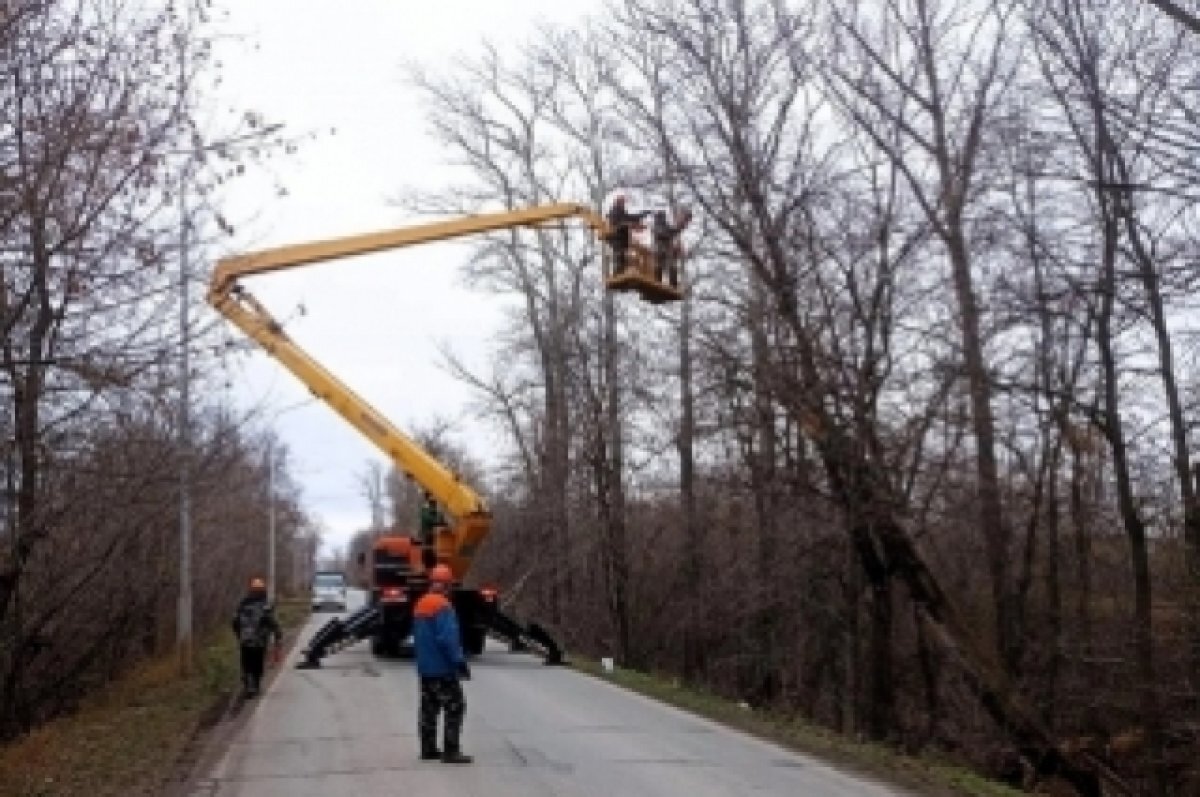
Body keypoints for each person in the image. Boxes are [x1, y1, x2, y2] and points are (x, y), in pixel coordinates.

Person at [413, 564, 472, 764]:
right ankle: (451, 751)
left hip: (425, 667)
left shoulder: (421, 603)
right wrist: (459, 662)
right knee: (455, 706)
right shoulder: (443, 607)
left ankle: (427, 748)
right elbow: (448, 639)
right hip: (442, 668)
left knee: (428, 707)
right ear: (447, 585)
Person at [232, 577, 282, 698]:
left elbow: (235, 622)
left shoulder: (242, 604)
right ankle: (255, 685)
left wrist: (239, 635)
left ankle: (248, 684)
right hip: (260, 641)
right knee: (257, 662)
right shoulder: (265, 606)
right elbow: (272, 622)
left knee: (246, 663)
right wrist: (278, 636)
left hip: (245, 640)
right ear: (263, 590)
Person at [606, 194, 649, 274]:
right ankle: (617, 273)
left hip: (623, 239)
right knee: (619, 257)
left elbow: (631, 217)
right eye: (622, 203)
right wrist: (630, 224)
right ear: (618, 203)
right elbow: (617, 223)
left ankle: (621, 272)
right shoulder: (614, 212)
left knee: (624, 258)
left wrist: (642, 215)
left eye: (624, 203)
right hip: (617, 238)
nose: (624, 205)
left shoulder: (623, 213)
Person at [652, 208, 691, 287]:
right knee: (659, 265)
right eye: (662, 217)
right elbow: (663, 233)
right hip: (659, 249)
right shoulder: (657, 226)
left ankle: (673, 284)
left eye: (664, 217)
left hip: (665, 249)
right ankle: (657, 282)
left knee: (671, 265)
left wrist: (681, 225)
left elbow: (673, 231)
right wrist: (676, 229)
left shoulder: (665, 226)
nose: (664, 219)